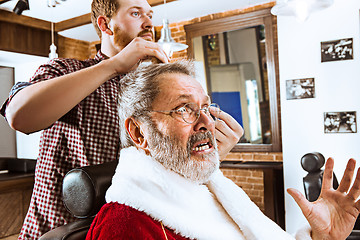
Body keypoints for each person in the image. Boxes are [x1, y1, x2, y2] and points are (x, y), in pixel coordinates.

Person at [0, 0, 242, 239]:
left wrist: (204, 154)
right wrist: (114, 65)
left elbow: (165, 171)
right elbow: (19, 116)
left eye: (149, 14)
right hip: (60, 230)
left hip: (128, 228)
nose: (148, 22)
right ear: (106, 25)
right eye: (136, 13)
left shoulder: (151, 93)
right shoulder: (66, 70)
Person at [86, 60, 360, 240]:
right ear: (139, 133)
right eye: (184, 109)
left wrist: (321, 237)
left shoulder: (212, 193)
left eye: (206, 107)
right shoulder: (123, 228)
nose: (207, 122)